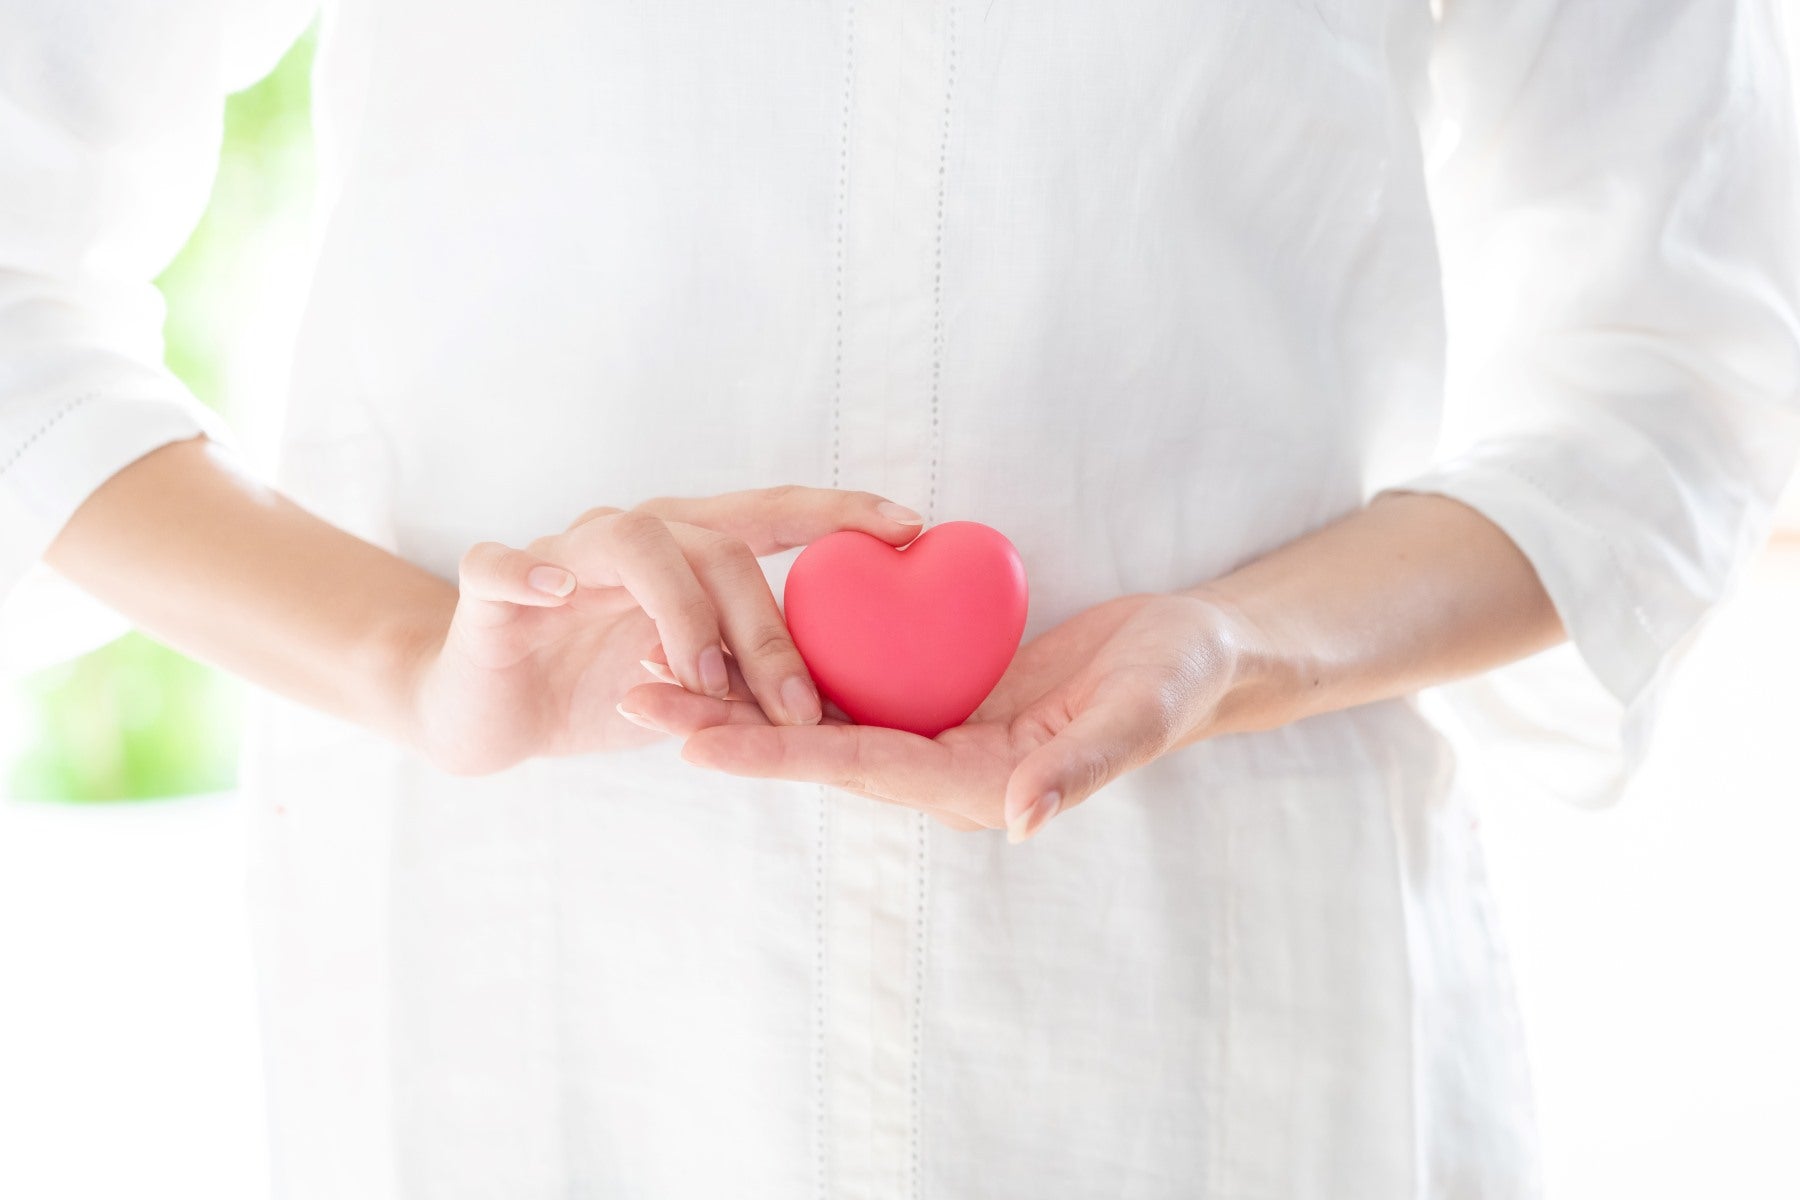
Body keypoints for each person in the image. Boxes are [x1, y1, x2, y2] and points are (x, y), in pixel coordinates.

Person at [4, 1, 1798, 1196]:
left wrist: (1237, 646)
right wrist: (413, 658)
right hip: (542, 1013)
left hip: (1216, 1002)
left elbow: (1684, 369)